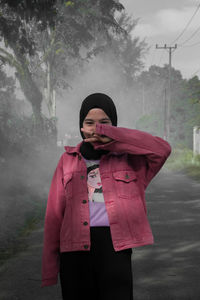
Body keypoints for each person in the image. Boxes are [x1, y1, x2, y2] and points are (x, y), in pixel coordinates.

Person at [42, 93, 171, 300]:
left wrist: (114, 139)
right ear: (81, 126)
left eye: (104, 123)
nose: (96, 128)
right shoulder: (67, 160)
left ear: (115, 126)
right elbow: (54, 216)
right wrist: (49, 269)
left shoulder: (130, 160)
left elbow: (162, 149)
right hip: (74, 250)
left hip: (115, 247)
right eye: (90, 123)